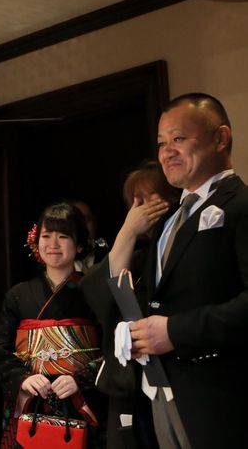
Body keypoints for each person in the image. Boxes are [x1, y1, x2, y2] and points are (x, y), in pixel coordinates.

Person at [126, 93, 248, 449]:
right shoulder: (168, 221)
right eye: (161, 143)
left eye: (179, 139)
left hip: (224, 396)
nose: (167, 153)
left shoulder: (241, 205)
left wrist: (174, 331)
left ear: (220, 138)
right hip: (165, 390)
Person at [0, 203, 103, 448]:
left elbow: (113, 349)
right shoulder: (18, 294)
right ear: (36, 242)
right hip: (33, 398)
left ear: (80, 244)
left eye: (63, 236)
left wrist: (80, 379)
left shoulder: (95, 293)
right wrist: (23, 379)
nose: (53, 244)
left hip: (78, 398)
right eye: (46, 236)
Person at [81, 161, 176, 449]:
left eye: (149, 199)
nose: (141, 211)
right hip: (131, 381)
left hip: (176, 372)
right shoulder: (137, 257)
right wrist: (128, 232)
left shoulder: (181, 251)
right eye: (135, 203)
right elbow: (103, 294)